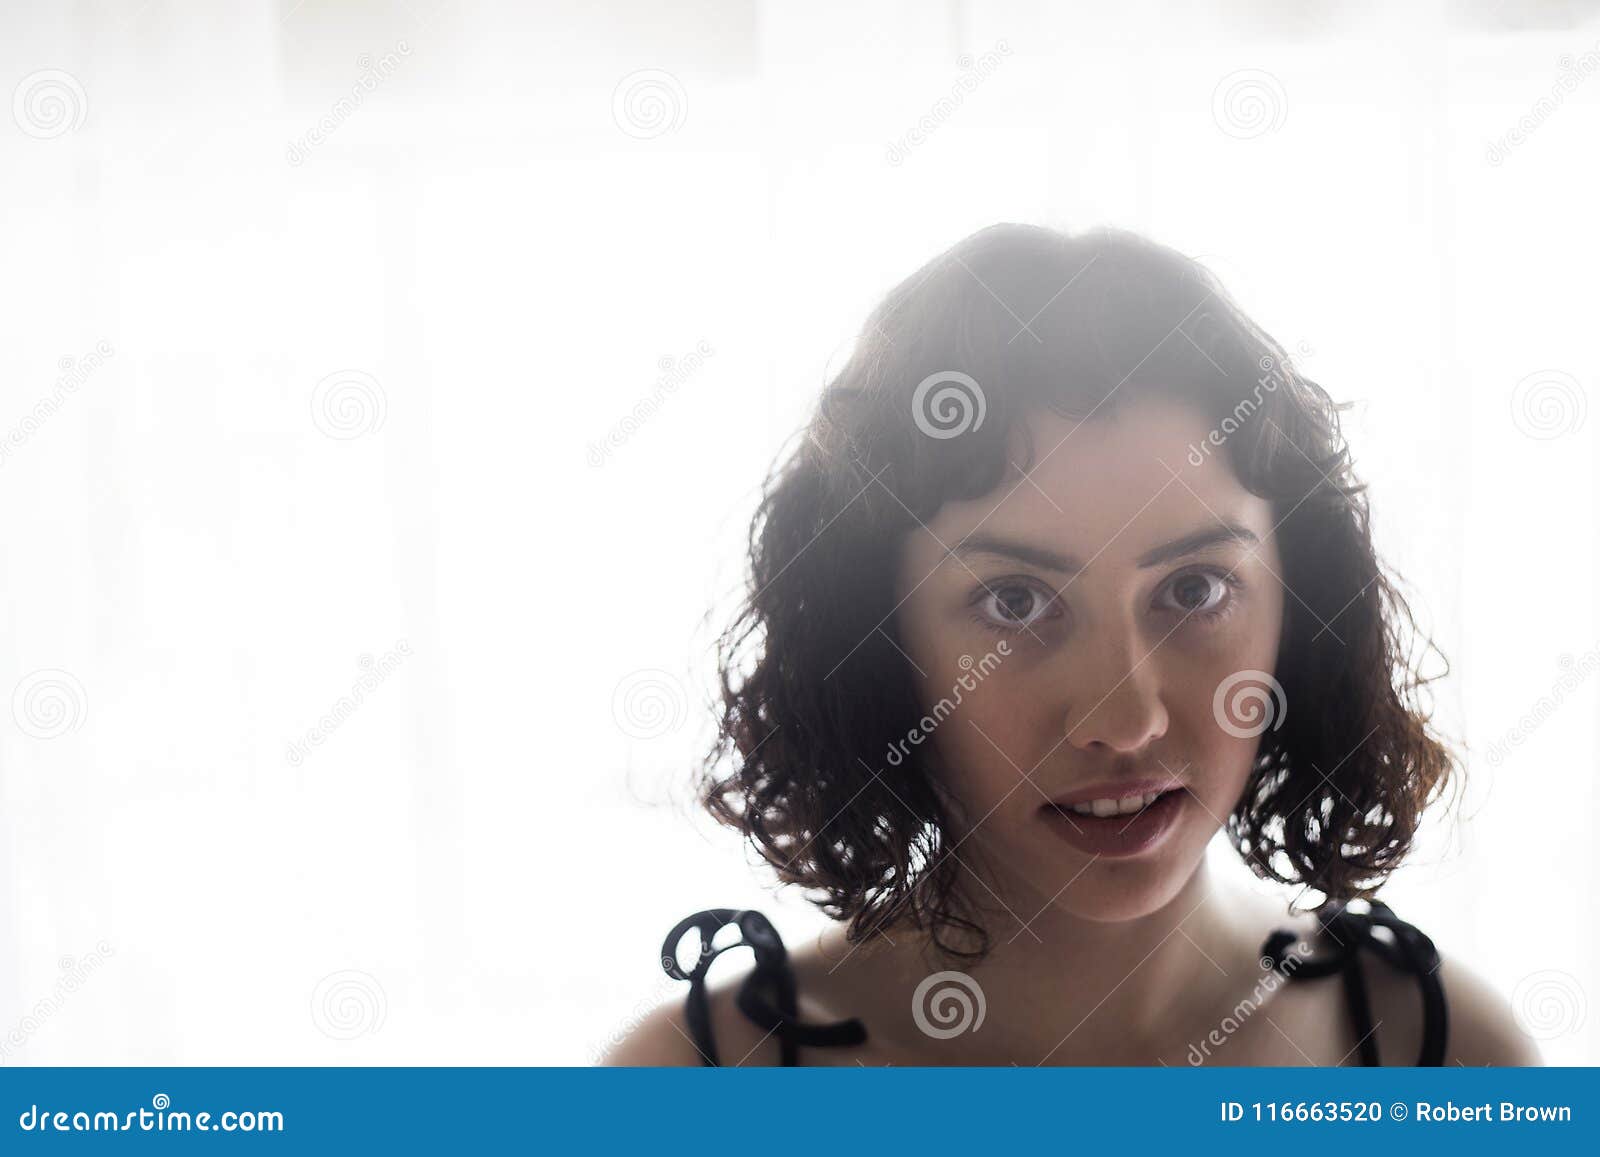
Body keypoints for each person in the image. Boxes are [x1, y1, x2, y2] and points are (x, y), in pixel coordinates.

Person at [603, 223, 1539, 1067]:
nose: (1124, 718)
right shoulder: (688, 1088)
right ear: (875, 641)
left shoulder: (1448, 1055)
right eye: (1013, 601)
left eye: (1194, 589)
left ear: (1303, 604)